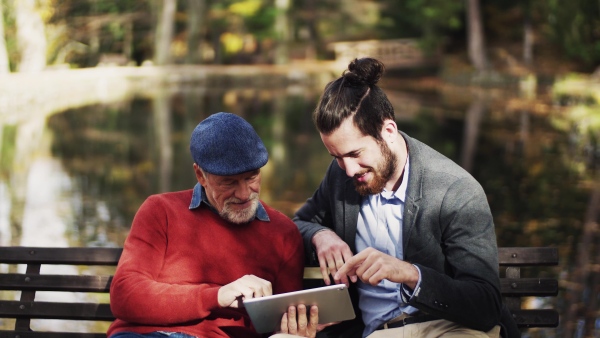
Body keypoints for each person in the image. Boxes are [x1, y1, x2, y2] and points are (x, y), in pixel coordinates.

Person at [293, 58, 519, 338]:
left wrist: (411, 274)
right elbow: (299, 223)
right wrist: (320, 235)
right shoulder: (341, 176)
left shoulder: (455, 190)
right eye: (336, 157)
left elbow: (485, 304)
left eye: (354, 154)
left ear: (388, 131)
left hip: (451, 328)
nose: (349, 169)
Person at [108, 112, 318, 338]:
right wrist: (217, 296)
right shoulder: (160, 210)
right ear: (200, 175)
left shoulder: (283, 234)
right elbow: (125, 295)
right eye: (229, 182)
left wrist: (296, 329)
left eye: (252, 177)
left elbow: (284, 319)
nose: (244, 193)